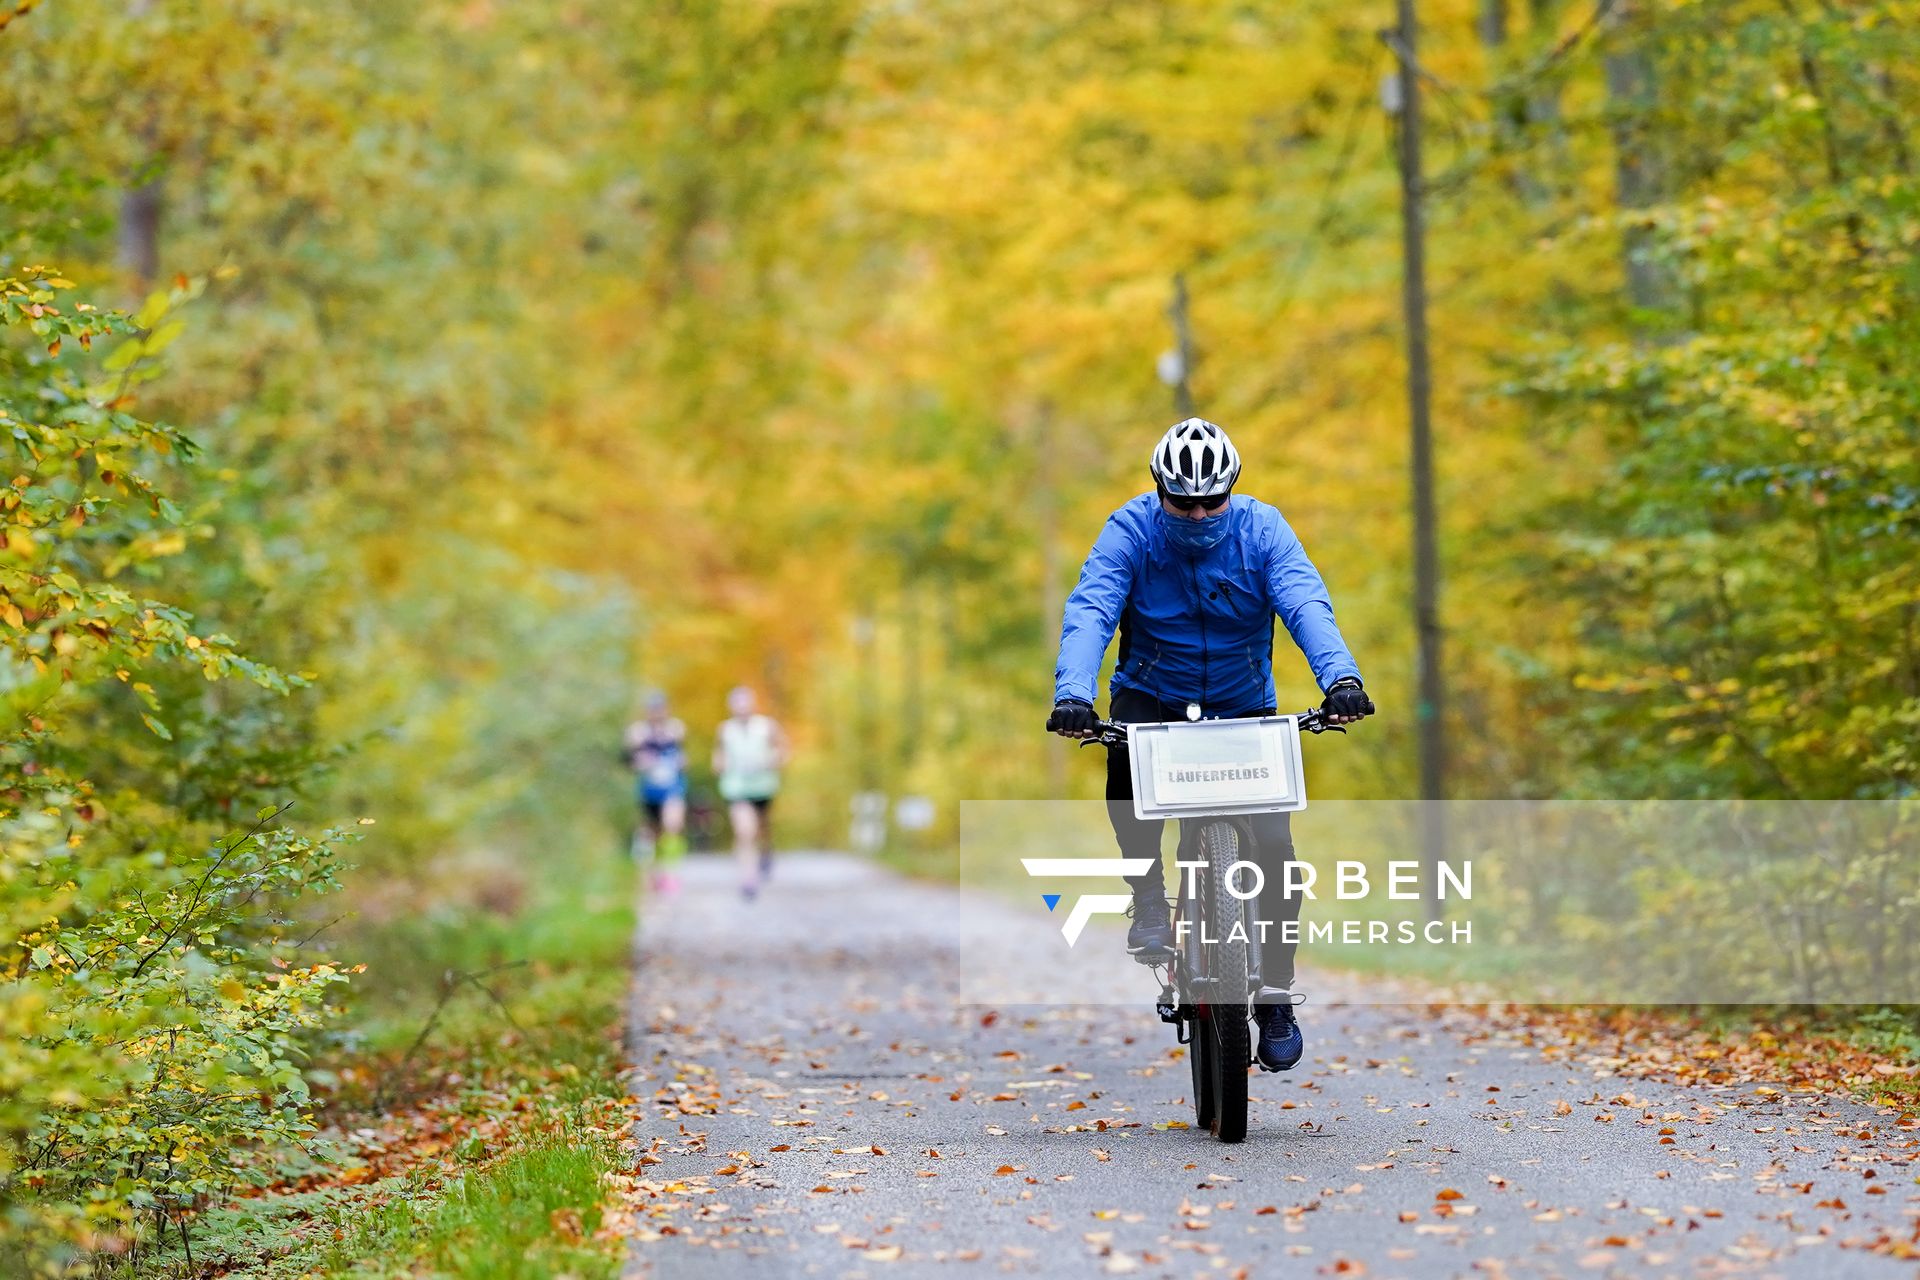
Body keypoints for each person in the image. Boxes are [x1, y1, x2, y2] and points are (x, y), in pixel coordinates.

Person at [1046, 418, 1374, 1073]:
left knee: (1276, 851)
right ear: (1159, 491)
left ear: (1232, 490)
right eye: (1182, 502)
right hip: (1153, 693)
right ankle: (1147, 900)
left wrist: (1341, 677)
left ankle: (1276, 993)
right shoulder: (1131, 533)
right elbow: (1092, 610)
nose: (1197, 514)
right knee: (1123, 764)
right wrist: (1073, 693)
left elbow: (1307, 604)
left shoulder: (1263, 530)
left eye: (1211, 501)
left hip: (1242, 702)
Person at [714, 684, 788, 901]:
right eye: (737, 704)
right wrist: (720, 764)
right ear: (731, 707)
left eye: (745, 703)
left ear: (752, 705)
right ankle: (748, 878)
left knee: (762, 827)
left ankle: (766, 852)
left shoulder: (766, 726)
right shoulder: (725, 730)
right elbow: (718, 756)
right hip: (736, 788)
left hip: (763, 786)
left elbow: (783, 749)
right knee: (744, 831)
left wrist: (773, 760)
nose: (741, 708)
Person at [625, 690, 689, 897]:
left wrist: (682, 763)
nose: (657, 713)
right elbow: (628, 760)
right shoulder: (638, 732)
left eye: (660, 708)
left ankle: (670, 875)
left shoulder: (676, 729)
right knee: (651, 834)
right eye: (653, 709)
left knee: (673, 826)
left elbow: (683, 756)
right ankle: (650, 874)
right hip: (649, 790)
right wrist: (641, 762)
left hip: (672, 787)